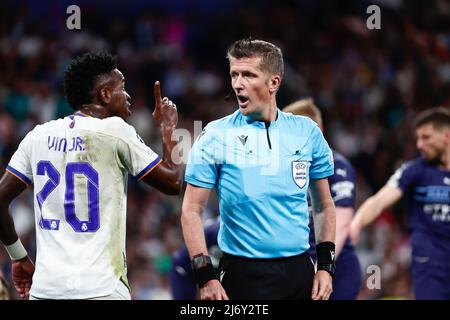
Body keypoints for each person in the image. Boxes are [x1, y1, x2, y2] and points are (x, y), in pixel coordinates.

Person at [0, 52, 182, 300]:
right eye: (123, 87)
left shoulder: (37, 136)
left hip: (45, 291)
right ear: (105, 95)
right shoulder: (116, 131)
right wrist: (168, 129)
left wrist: (18, 256)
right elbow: (173, 182)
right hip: (102, 289)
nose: (128, 96)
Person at [181, 38, 336, 300]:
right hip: (241, 275)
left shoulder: (307, 132)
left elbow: (323, 205)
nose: (237, 84)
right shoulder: (215, 136)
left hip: (299, 273)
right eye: (234, 75)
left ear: (273, 82)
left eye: (248, 75)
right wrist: (205, 276)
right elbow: (191, 211)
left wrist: (326, 267)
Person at [350, 107, 450, 300]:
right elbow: (379, 201)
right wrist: (357, 222)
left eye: (426, 137)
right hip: (430, 267)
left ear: (446, 135)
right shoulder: (413, 171)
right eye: (417, 138)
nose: (420, 144)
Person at [282, 98, 362, 300]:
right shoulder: (282, 167)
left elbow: (342, 224)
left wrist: (323, 268)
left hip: (337, 269)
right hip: (297, 266)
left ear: (316, 130)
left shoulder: (337, 166)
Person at [169, 217, 220, 300]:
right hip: (185, 267)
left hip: (201, 263)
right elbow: (198, 254)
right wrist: (205, 278)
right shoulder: (215, 230)